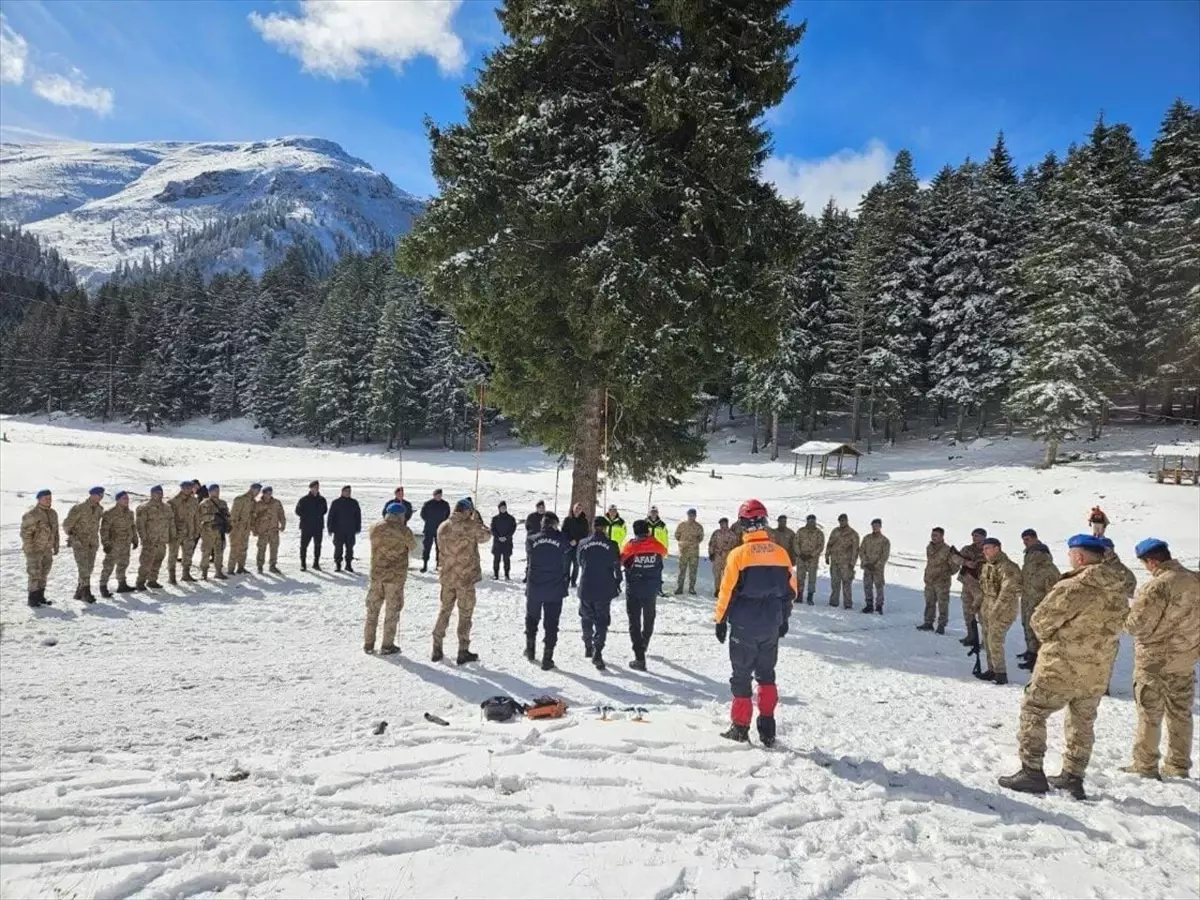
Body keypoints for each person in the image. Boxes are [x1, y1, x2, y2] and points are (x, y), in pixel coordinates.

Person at [998, 534, 1129, 800]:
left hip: (1061, 664)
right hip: (1098, 668)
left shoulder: (1075, 586)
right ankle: (1073, 776)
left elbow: (1041, 621)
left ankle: (1032, 771)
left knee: (1034, 709)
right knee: (1082, 720)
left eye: (1071, 555)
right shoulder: (1119, 587)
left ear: (1079, 557)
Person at [714, 499, 797, 746]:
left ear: (743, 524)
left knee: (741, 675)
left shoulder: (738, 555)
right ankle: (768, 727)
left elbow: (726, 591)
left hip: (744, 625)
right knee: (767, 675)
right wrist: (784, 619)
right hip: (771, 623)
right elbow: (790, 591)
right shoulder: (781, 553)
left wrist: (720, 620)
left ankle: (740, 727)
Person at [1123, 538, 1200, 779]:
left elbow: (1137, 626)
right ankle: (1178, 765)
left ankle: (1145, 765)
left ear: (1153, 560)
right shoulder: (1195, 580)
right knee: (1180, 713)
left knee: (1150, 713)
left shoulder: (1156, 586)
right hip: (1185, 659)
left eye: (1145, 563)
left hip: (1154, 662)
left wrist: (1126, 616)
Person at [433, 498, 492, 664]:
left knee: (444, 611)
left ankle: (436, 647)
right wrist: (478, 521)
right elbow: (486, 536)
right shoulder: (471, 526)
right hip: (465, 579)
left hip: (447, 577)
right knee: (465, 614)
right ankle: (463, 650)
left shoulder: (443, 526)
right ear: (467, 511)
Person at [363, 502, 416, 654]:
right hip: (395, 577)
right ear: (400, 515)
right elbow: (413, 546)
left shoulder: (374, 527)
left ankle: (368, 643)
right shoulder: (404, 530)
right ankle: (387, 645)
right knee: (392, 611)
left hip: (376, 576)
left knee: (372, 610)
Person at [525, 512, 571, 670]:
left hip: (535, 586)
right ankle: (547, 657)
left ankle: (530, 650)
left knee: (532, 619)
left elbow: (530, 549)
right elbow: (567, 545)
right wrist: (557, 532)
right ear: (554, 524)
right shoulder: (560, 538)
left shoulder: (531, 539)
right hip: (554, 587)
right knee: (551, 623)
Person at [620, 520, 667, 670]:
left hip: (634, 588)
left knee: (634, 622)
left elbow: (622, 559)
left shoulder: (631, 546)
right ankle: (644, 642)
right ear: (648, 531)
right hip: (651, 588)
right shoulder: (656, 545)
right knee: (649, 617)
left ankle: (639, 657)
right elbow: (664, 553)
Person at [577, 515, 622, 671]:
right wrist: (618, 582)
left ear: (593, 527)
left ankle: (588, 645)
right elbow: (617, 566)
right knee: (602, 621)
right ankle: (598, 651)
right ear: (605, 528)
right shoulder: (612, 544)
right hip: (604, 587)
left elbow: (579, 562)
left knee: (586, 617)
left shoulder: (583, 543)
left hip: (586, 586)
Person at [978, 537, 1021, 685]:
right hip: (988, 607)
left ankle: (1000, 673)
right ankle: (992, 669)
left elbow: (1007, 592)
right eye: (983, 549)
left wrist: (995, 610)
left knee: (995, 639)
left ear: (997, 548)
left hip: (1004, 609)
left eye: (988, 548)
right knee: (987, 639)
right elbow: (984, 588)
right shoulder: (988, 566)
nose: (985, 551)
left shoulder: (1007, 567)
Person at [1017, 529, 1060, 670]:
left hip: (1038, 601)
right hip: (1027, 598)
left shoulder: (1044, 562)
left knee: (1037, 629)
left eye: (1028, 539)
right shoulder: (1028, 556)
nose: (1025, 542)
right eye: (1024, 540)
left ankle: (1038, 658)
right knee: (1027, 625)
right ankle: (1031, 651)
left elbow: (1052, 587)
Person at [62, 486, 105, 603]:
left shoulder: (99, 509)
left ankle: (79, 591)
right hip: (80, 543)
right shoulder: (79, 508)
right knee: (83, 568)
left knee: (89, 568)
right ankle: (86, 592)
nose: (100, 497)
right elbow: (66, 524)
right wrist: (73, 536)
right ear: (92, 494)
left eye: (102, 495)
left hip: (92, 543)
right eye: (98, 494)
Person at [918, 527, 961, 634]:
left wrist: (945, 575)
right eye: (932, 535)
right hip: (929, 580)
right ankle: (928, 622)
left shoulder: (948, 550)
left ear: (942, 536)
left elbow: (955, 566)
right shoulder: (929, 547)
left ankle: (941, 625)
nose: (933, 537)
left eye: (936, 535)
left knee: (943, 604)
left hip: (942, 582)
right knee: (929, 602)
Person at [21, 488, 58, 607]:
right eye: (45, 498)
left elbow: (55, 531)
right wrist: (30, 550)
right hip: (34, 550)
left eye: (50, 498)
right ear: (39, 499)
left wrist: (56, 545)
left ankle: (40, 596)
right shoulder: (31, 514)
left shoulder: (53, 513)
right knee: (34, 573)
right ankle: (32, 599)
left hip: (47, 549)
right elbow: (25, 534)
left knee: (44, 572)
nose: (48, 500)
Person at [98, 490, 138, 597]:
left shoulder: (130, 513)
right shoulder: (110, 513)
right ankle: (103, 586)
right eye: (124, 498)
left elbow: (132, 527)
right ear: (117, 500)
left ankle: (122, 585)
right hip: (113, 545)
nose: (127, 500)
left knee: (123, 565)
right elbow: (104, 530)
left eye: (127, 498)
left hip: (126, 544)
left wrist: (135, 539)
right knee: (108, 566)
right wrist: (106, 544)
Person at [135, 485, 174, 591]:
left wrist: (172, 536)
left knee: (158, 560)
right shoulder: (144, 508)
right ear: (151, 494)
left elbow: (171, 523)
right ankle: (140, 581)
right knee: (146, 562)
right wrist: (144, 538)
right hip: (150, 540)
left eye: (160, 492)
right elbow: (140, 525)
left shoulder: (167, 507)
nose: (159, 495)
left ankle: (152, 580)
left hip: (162, 540)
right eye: (156, 492)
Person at [958, 528, 987, 646]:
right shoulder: (967, 549)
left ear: (984, 537)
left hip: (981, 587)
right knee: (967, 612)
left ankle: (986, 641)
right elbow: (954, 558)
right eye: (973, 536)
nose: (975, 538)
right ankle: (971, 636)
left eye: (977, 536)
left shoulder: (988, 549)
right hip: (967, 584)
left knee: (983, 615)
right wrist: (965, 563)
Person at [167, 480, 200, 585]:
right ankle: (172, 576)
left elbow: (196, 517)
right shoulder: (173, 501)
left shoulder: (194, 501)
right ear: (181, 488)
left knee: (188, 554)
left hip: (189, 532)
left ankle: (186, 574)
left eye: (190, 488)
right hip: (176, 532)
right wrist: (171, 533)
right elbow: (170, 519)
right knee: (173, 555)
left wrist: (197, 530)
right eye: (186, 488)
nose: (188, 490)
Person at [825, 513, 859, 609]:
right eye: (840, 520)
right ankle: (833, 602)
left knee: (846, 584)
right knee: (835, 583)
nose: (842, 522)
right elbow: (829, 544)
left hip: (846, 563)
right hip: (835, 561)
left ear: (847, 521)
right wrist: (827, 556)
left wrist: (852, 563)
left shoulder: (853, 534)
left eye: (844, 520)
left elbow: (855, 550)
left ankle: (848, 604)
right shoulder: (835, 531)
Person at [327, 485, 363, 573]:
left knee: (350, 548)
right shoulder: (336, 502)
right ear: (342, 492)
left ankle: (348, 564)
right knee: (338, 547)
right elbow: (331, 516)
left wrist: (358, 527)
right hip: (339, 530)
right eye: (346, 491)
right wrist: (330, 528)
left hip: (350, 530)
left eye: (349, 491)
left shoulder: (354, 502)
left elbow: (358, 516)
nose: (348, 493)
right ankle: (338, 564)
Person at [198, 484, 230, 581]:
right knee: (206, 552)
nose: (217, 492)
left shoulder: (223, 503)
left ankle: (218, 572)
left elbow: (228, 516)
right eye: (215, 490)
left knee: (219, 552)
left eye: (218, 490)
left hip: (220, 532)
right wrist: (213, 517)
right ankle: (204, 573)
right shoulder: (205, 503)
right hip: (208, 532)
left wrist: (228, 524)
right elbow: (200, 517)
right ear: (210, 492)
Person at [227, 483, 261, 575]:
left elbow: (253, 517)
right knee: (235, 548)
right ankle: (231, 569)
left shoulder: (253, 502)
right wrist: (235, 528)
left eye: (259, 491)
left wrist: (253, 528)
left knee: (243, 548)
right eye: (256, 490)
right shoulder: (240, 499)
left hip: (246, 529)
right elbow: (233, 515)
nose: (257, 493)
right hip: (237, 529)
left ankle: (241, 567)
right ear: (251, 489)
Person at [859, 518, 891, 614]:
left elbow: (884, 555)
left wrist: (877, 565)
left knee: (879, 587)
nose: (875, 528)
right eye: (873, 526)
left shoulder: (884, 541)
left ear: (880, 526)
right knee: (867, 586)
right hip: (868, 567)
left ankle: (879, 606)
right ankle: (869, 605)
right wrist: (865, 562)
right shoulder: (867, 538)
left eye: (877, 526)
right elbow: (861, 551)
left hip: (878, 569)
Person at [295, 481, 328, 571]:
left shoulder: (322, 499)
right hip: (306, 526)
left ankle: (316, 563)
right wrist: (307, 515)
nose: (316, 489)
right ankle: (303, 564)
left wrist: (317, 515)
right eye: (314, 487)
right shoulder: (304, 499)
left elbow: (325, 510)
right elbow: (297, 511)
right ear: (310, 488)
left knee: (317, 545)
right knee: (304, 546)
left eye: (317, 487)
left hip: (318, 526)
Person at [254, 486, 286, 574]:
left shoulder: (276, 503)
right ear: (263, 494)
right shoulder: (258, 504)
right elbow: (253, 518)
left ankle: (273, 566)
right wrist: (254, 530)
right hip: (262, 531)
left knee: (274, 549)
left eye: (270, 493)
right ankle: (260, 566)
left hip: (273, 530)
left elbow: (281, 514)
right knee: (261, 549)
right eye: (267, 493)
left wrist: (283, 524)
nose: (269, 495)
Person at [794, 514, 824, 606]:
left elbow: (820, 546)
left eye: (813, 521)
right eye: (809, 521)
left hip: (812, 559)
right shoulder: (801, 531)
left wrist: (812, 555)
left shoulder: (819, 533)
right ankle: (799, 595)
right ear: (807, 521)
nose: (811, 523)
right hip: (801, 558)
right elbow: (795, 543)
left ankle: (810, 597)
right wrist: (800, 554)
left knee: (812, 578)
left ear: (815, 521)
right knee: (800, 577)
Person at [674, 509, 704, 595]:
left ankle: (691, 588)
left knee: (693, 571)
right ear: (687, 515)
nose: (691, 517)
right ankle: (680, 588)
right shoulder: (682, 525)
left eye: (693, 515)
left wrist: (693, 544)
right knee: (681, 570)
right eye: (690, 515)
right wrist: (683, 543)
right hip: (683, 551)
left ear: (695, 516)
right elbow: (677, 535)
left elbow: (701, 538)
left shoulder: (699, 527)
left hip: (694, 552)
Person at [708, 518, 740, 600]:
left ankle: (725, 590)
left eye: (724, 524)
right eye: (721, 524)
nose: (722, 526)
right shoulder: (716, 533)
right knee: (717, 574)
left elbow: (736, 546)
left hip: (727, 556)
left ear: (727, 524)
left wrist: (734, 556)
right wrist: (711, 553)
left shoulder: (732, 535)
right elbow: (712, 543)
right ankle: (717, 590)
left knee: (727, 575)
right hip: (718, 556)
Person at [419, 489, 450, 572]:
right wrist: (429, 521)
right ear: (434, 495)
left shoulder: (445, 504)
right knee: (427, 547)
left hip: (440, 529)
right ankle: (425, 565)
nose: (439, 496)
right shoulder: (428, 504)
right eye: (437, 495)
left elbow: (447, 515)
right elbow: (423, 514)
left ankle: (438, 565)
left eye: (440, 495)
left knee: (439, 548)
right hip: (429, 528)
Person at [562, 502, 590, 588]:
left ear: (581, 510)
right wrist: (570, 540)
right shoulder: (567, 519)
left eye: (579, 509)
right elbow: (563, 531)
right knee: (566, 565)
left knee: (576, 565)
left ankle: (573, 582)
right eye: (576, 508)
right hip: (568, 546)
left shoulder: (584, 521)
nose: (578, 510)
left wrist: (577, 541)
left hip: (578, 547)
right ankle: (565, 581)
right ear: (573, 509)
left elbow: (585, 534)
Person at [490, 501, 517, 579]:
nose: (503, 509)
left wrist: (506, 537)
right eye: (501, 507)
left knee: (506, 559)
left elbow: (513, 529)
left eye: (504, 507)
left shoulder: (511, 518)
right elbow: (492, 529)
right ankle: (496, 574)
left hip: (507, 542)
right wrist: (498, 537)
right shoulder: (495, 519)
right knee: (496, 559)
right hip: (497, 542)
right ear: (499, 509)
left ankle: (507, 574)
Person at [522, 500, 547, 584]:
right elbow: (527, 527)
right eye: (539, 507)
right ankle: (527, 576)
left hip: (543, 542)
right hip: (531, 542)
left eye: (542, 507)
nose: (541, 509)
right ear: (536, 508)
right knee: (530, 560)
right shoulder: (531, 516)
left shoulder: (547, 517)